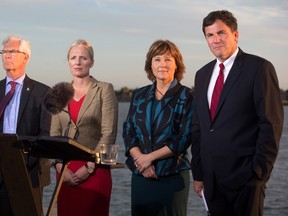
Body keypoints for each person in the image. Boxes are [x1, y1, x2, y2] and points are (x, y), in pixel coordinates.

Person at [191, 10, 284, 216]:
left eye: (221, 33)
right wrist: (198, 174)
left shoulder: (259, 68)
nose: (216, 40)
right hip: (211, 181)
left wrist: (258, 173)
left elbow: (271, 124)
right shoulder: (202, 75)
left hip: (246, 179)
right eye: (210, 35)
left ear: (235, 34)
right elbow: (198, 128)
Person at [123, 39, 193, 216]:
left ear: (177, 65)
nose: (163, 64)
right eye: (157, 59)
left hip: (172, 176)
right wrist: (141, 160)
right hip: (141, 175)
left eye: (168, 59)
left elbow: (184, 137)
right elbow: (128, 130)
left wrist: (150, 158)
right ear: (150, 65)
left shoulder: (187, 96)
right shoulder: (139, 94)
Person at [50, 39, 118, 216]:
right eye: (73, 58)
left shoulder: (104, 89)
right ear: (68, 62)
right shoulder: (59, 92)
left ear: (92, 62)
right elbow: (54, 135)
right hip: (65, 172)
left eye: (83, 58)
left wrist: (88, 167)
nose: (78, 62)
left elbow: (109, 133)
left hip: (96, 171)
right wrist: (58, 167)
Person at [0, 34, 51, 215]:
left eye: (12, 51)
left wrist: (22, 163)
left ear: (26, 57)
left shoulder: (42, 92)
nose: (6, 55)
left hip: (28, 172)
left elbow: (45, 134)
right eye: (4, 51)